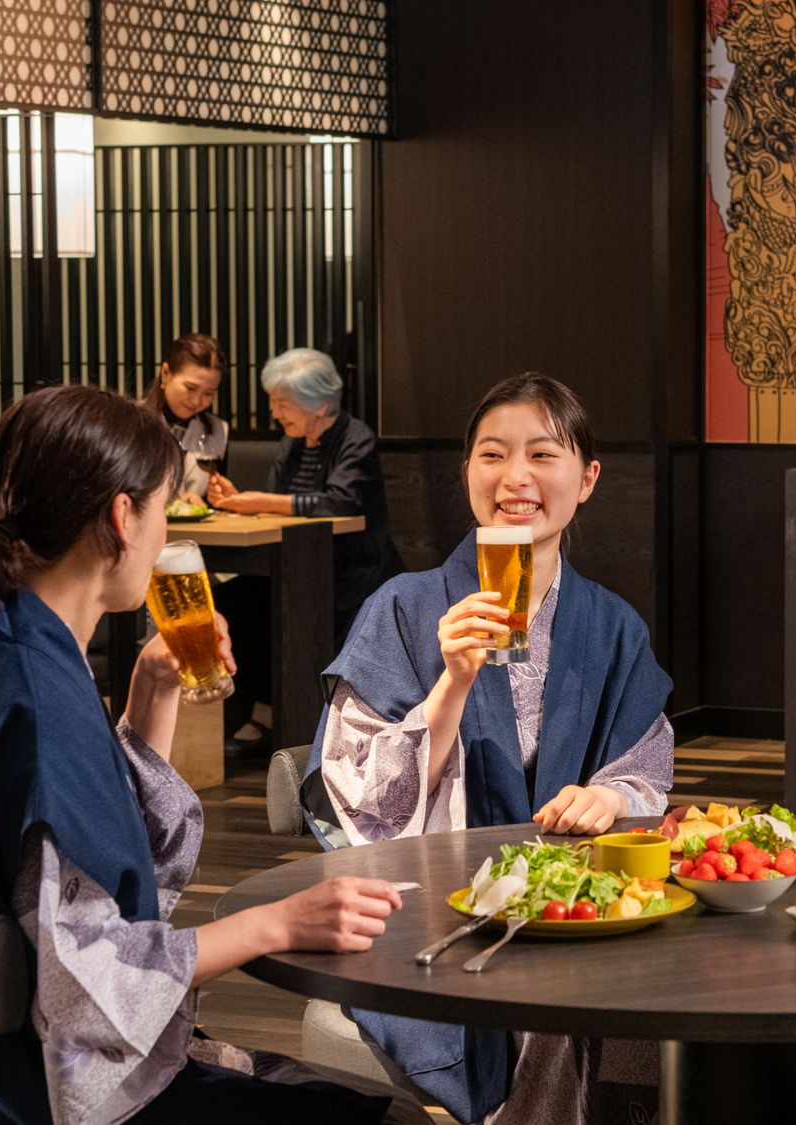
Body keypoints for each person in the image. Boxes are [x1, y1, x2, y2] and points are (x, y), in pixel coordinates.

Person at [0, 384, 398, 1125]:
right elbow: (93, 984)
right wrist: (280, 922)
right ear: (122, 518)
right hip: (53, 1094)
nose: (161, 535)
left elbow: (89, 867)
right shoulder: (34, 697)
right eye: (160, 508)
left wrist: (151, 695)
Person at [300, 372, 674, 1124]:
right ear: (465, 472)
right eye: (492, 455)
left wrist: (612, 796)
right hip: (436, 919)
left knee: (646, 1011)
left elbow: (645, 769)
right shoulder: (402, 609)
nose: (516, 479)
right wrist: (453, 682)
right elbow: (355, 792)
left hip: (579, 917)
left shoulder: (613, 626)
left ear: (588, 478)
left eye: (543, 454)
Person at [208, 348, 404, 746]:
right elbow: (280, 504)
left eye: (283, 404)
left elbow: (340, 501)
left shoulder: (356, 439)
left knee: (297, 606)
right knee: (235, 601)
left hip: (352, 571)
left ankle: (317, 729)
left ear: (320, 404)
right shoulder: (292, 443)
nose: (276, 414)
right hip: (293, 565)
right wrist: (238, 500)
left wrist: (257, 500)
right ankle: (263, 708)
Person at [144, 333, 228, 503]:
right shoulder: (131, 421)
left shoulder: (218, 429)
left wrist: (213, 500)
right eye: (191, 388)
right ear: (166, 374)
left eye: (208, 393)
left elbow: (217, 503)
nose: (197, 401)